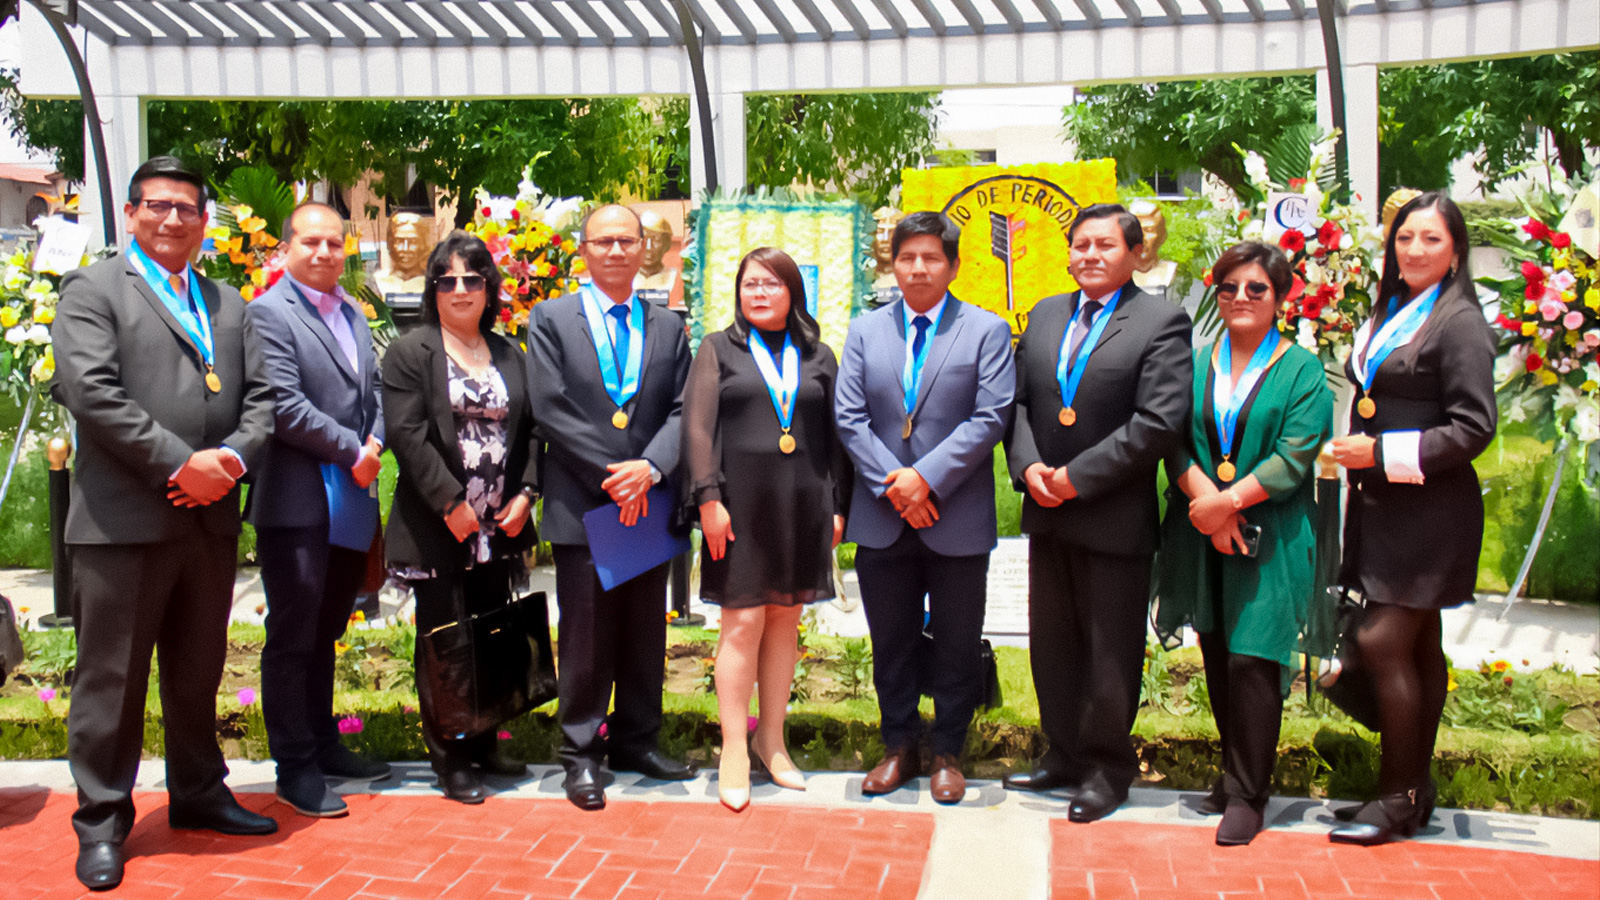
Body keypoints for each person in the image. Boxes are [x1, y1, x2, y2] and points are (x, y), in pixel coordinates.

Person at [51, 156, 277, 891]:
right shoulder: (93, 289)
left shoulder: (227, 302)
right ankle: (102, 821)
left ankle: (199, 793)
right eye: (158, 205)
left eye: (187, 207)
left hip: (206, 525)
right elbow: (91, 392)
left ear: (205, 222)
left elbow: (263, 401)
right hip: (123, 525)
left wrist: (230, 464)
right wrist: (181, 464)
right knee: (109, 681)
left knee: (196, 671)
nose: (174, 218)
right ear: (132, 213)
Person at [1003, 203, 1192, 823]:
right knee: (1052, 642)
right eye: (1081, 244)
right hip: (1047, 509)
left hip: (1112, 514)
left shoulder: (1161, 321)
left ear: (1134, 253)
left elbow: (1158, 422)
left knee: (1110, 648)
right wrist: (1030, 469)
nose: (1090, 255)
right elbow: (1021, 403)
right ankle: (1063, 752)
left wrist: (1076, 478)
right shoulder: (1048, 313)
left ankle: (1108, 767)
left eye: (1104, 245)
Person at [1327, 192, 1496, 845]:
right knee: (1420, 649)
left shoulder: (1459, 323)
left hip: (1431, 510)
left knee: (1380, 642)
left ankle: (1396, 796)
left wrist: (1383, 452)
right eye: (1404, 239)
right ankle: (1412, 789)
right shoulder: (1395, 310)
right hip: (1381, 505)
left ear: (1455, 248)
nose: (1414, 251)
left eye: (1430, 239)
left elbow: (1474, 426)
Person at [1155, 241, 1333, 845]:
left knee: (1254, 659)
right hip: (1203, 531)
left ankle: (1250, 796)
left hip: (1271, 535)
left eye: (1256, 288)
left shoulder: (1302, 370)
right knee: (1217, 654)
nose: (1240, 299)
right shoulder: (1198, 360)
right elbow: (1173, 439)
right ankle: (1231, 776)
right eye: (1228, 287)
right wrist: (1207, 502)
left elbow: (1296, 454)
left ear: (1281, 298)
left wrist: (1227, 503)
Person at [834, 211, 1016, 805]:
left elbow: (991, 417)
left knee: (958, 642)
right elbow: (849, 417)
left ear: (953, 265)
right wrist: (897, 486)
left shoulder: (984, 330)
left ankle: (947, 752)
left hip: (955, 515)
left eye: (930, 257)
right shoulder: (865, 331)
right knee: (892, 639)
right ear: (894, 263)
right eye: (907, 257)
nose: (917, 268)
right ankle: (898, 747)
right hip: (883, 518)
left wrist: (925, 480)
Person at [525, 204, 696, 811]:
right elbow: (549, 406)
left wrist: (649, 469)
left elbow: (684, 409)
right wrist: (613, 475)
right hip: (584, 501)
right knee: (587, 635)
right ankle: (580, 754)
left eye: (628, 240)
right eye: (605, 241)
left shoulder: (669, 327)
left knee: (646, 629)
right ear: (584, 249)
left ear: (645, 247)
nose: (618, 251)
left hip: (649, 499)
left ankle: (638, 740)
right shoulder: (550, 319)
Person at [683, 247, 852, 812]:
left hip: (803, 504)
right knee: (742, 621)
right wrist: (708, 497)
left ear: (792, 293)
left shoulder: (818, 355)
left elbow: (835, 437)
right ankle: (734, 745)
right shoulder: (717, 349)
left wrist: (838, 505)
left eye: (771, 284)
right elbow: (699, 429)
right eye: (750, 283)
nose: (759, 293)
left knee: (785, 619)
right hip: (738, 506)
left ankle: (771, 740)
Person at [382, 230, 540, 804]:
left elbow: (532, 431)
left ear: (489, 287)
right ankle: (451, 756)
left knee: (494, 634)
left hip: (501, 525)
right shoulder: (410, 353)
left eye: (472, 278)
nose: (459, 289)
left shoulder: (507, 353)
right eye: (445, 279)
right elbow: (407, 433)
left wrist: (526, 492)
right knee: (445, 638)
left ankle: (487, 742)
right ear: (432, 290)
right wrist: (450, 503)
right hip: (437, 523)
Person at [247, 202, 392, 818]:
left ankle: (325, 742)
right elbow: (282, 404)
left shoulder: (353, 311)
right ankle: (294, 766)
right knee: (293, 634)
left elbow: (376, 391)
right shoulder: (267, 314)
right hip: (297, 499)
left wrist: (377, 441)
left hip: (350, 499)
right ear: (284, 251)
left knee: (327, 629)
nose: (326, 253)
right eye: (311, 242)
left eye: (335, 244)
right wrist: (354, 449)